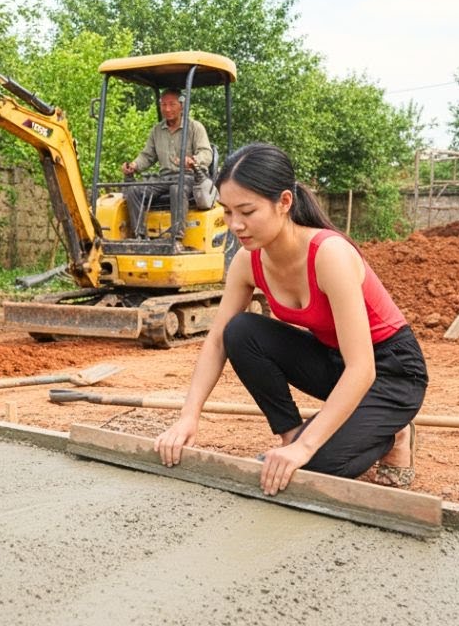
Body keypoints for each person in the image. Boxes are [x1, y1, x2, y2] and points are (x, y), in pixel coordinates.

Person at [154, 142, 427, 496]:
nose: (236, 225)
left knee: (315, 467)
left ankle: (394, 434)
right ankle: (290, 435)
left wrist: (306, 448)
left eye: (247, 211)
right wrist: (189, 415)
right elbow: (219, 339)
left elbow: (363, 368)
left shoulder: (329, 254)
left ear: (284, 203)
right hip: (334, 361)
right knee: (241, 331)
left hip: (391, 371)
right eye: (227, 212)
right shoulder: (246, 262)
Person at [121, 88, 216, 239]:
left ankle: (176, 235)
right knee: (133, 190)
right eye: (163, 105)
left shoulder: (194, 128)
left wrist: (193, 161)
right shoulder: (157, 131)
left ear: (182, 106)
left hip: (190, 177)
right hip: (164, 178)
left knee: (177, 188)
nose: (167, 109)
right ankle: (139, 235)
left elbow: (206, 152)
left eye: (172, 104)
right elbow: (147, 156)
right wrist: (134, 165)